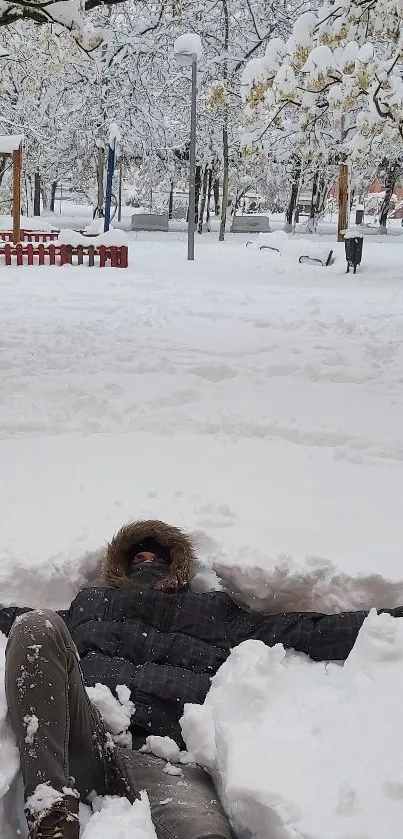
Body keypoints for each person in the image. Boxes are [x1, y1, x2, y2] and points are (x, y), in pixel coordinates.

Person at [1, 519, 402, 839]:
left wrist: (389, 622)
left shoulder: (214, 614)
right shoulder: (90, 604)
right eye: (137, 555)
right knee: (35, 626)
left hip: (167, 759)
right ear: (119, 565)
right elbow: (13, 620)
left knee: (203, 833)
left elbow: (307, 630)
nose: (146, 560)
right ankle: (52, 811)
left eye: (157, 555)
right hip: (86, 739)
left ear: (177, 565)